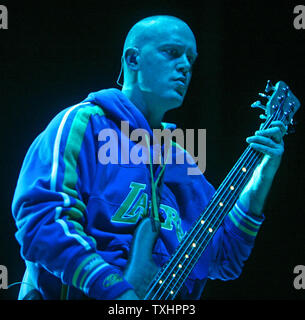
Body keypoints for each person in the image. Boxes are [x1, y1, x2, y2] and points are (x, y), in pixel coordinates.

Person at [12, 15, 287, 300]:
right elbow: (43, 223)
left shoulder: (180, 158)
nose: (185, 66)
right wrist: (117, 293)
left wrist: (262, 175)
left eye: (190, 59)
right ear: (133, 60)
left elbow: (224, 257)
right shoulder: (83, 125)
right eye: (171, 52)